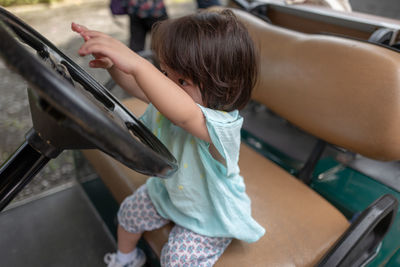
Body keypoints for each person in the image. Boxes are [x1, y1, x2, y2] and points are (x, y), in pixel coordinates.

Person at [72, 9, 265, 267]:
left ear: (223, 86)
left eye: (182, 80)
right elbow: (137, 86)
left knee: (176, 258)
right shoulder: (172, 99)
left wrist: (138, 63)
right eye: (164, 73)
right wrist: (115, 66)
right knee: (128, 213)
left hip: (209, 212)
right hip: (168, 192)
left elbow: (184, 114)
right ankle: (126, 259)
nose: (167, 85)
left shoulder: (220, 125)